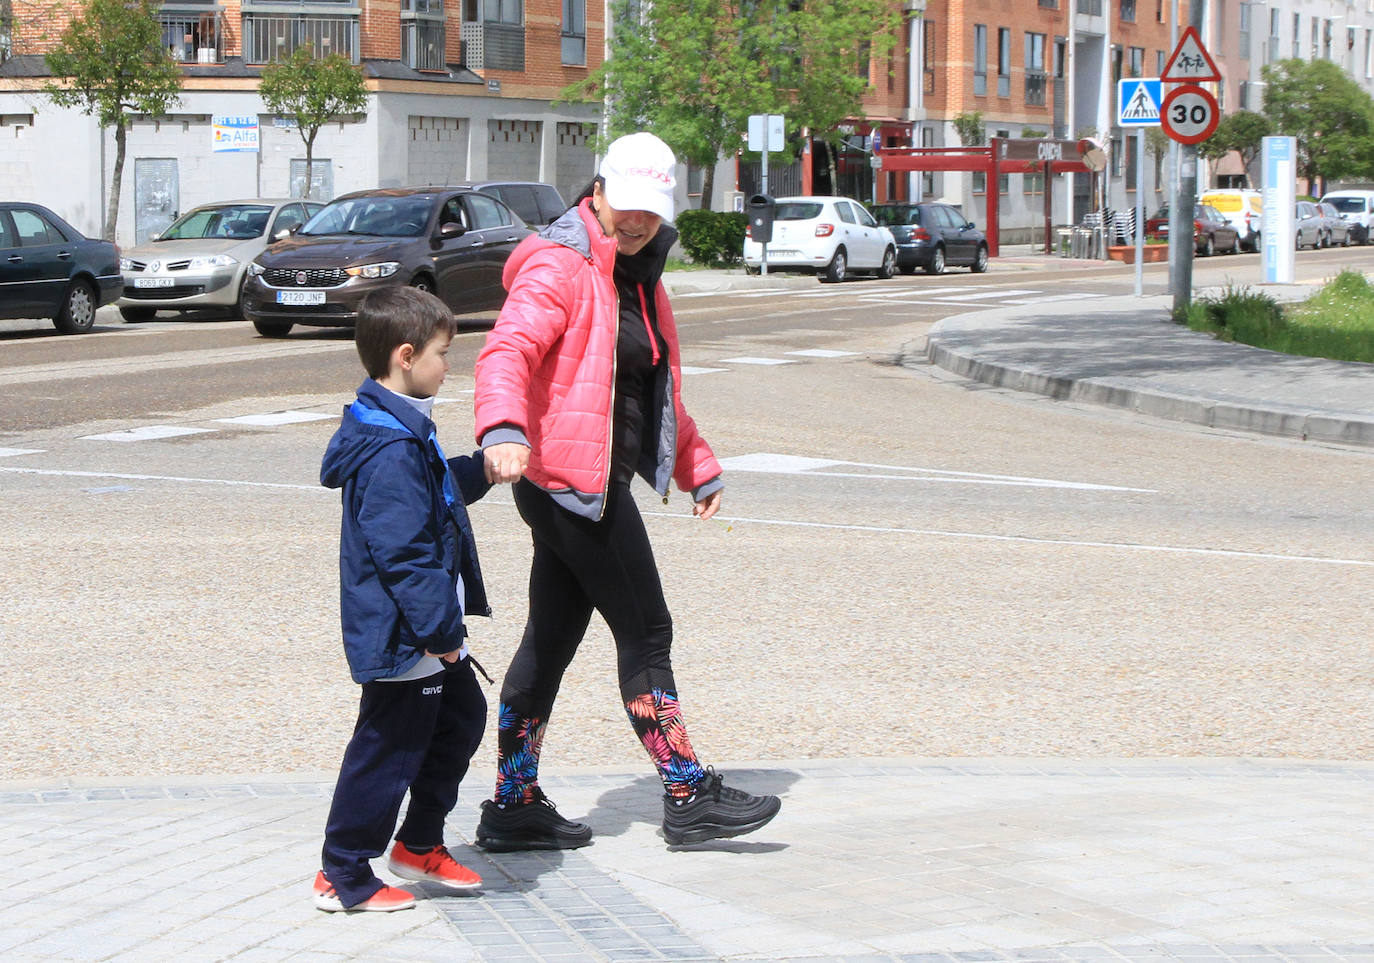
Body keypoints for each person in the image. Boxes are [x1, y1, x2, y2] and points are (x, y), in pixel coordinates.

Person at [472, 131, 781, 850]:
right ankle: (685, 789)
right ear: (598, 191)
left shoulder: (638, 274)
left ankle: (513, 803)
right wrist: (503, 427)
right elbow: (506, 352)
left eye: (650, 209)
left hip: (579, 481)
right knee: (647, 632)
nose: (636, 221)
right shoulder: (562, 264)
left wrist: (694, 462)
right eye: (626, 205)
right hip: (573, 483)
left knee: (549, 643)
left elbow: (650, 386)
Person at [314, 286, 493, 912]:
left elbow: (435, 498)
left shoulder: (398, 427)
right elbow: (405, 554)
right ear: (407, 355)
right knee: (387, 750)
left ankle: (417, 843)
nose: (450, 366)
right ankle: (343, 874)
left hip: (420, 630)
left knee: (463, 717)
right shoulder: (390, 447)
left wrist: (483, 469)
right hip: (405, 635)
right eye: (444, 354)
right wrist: (443, 636)